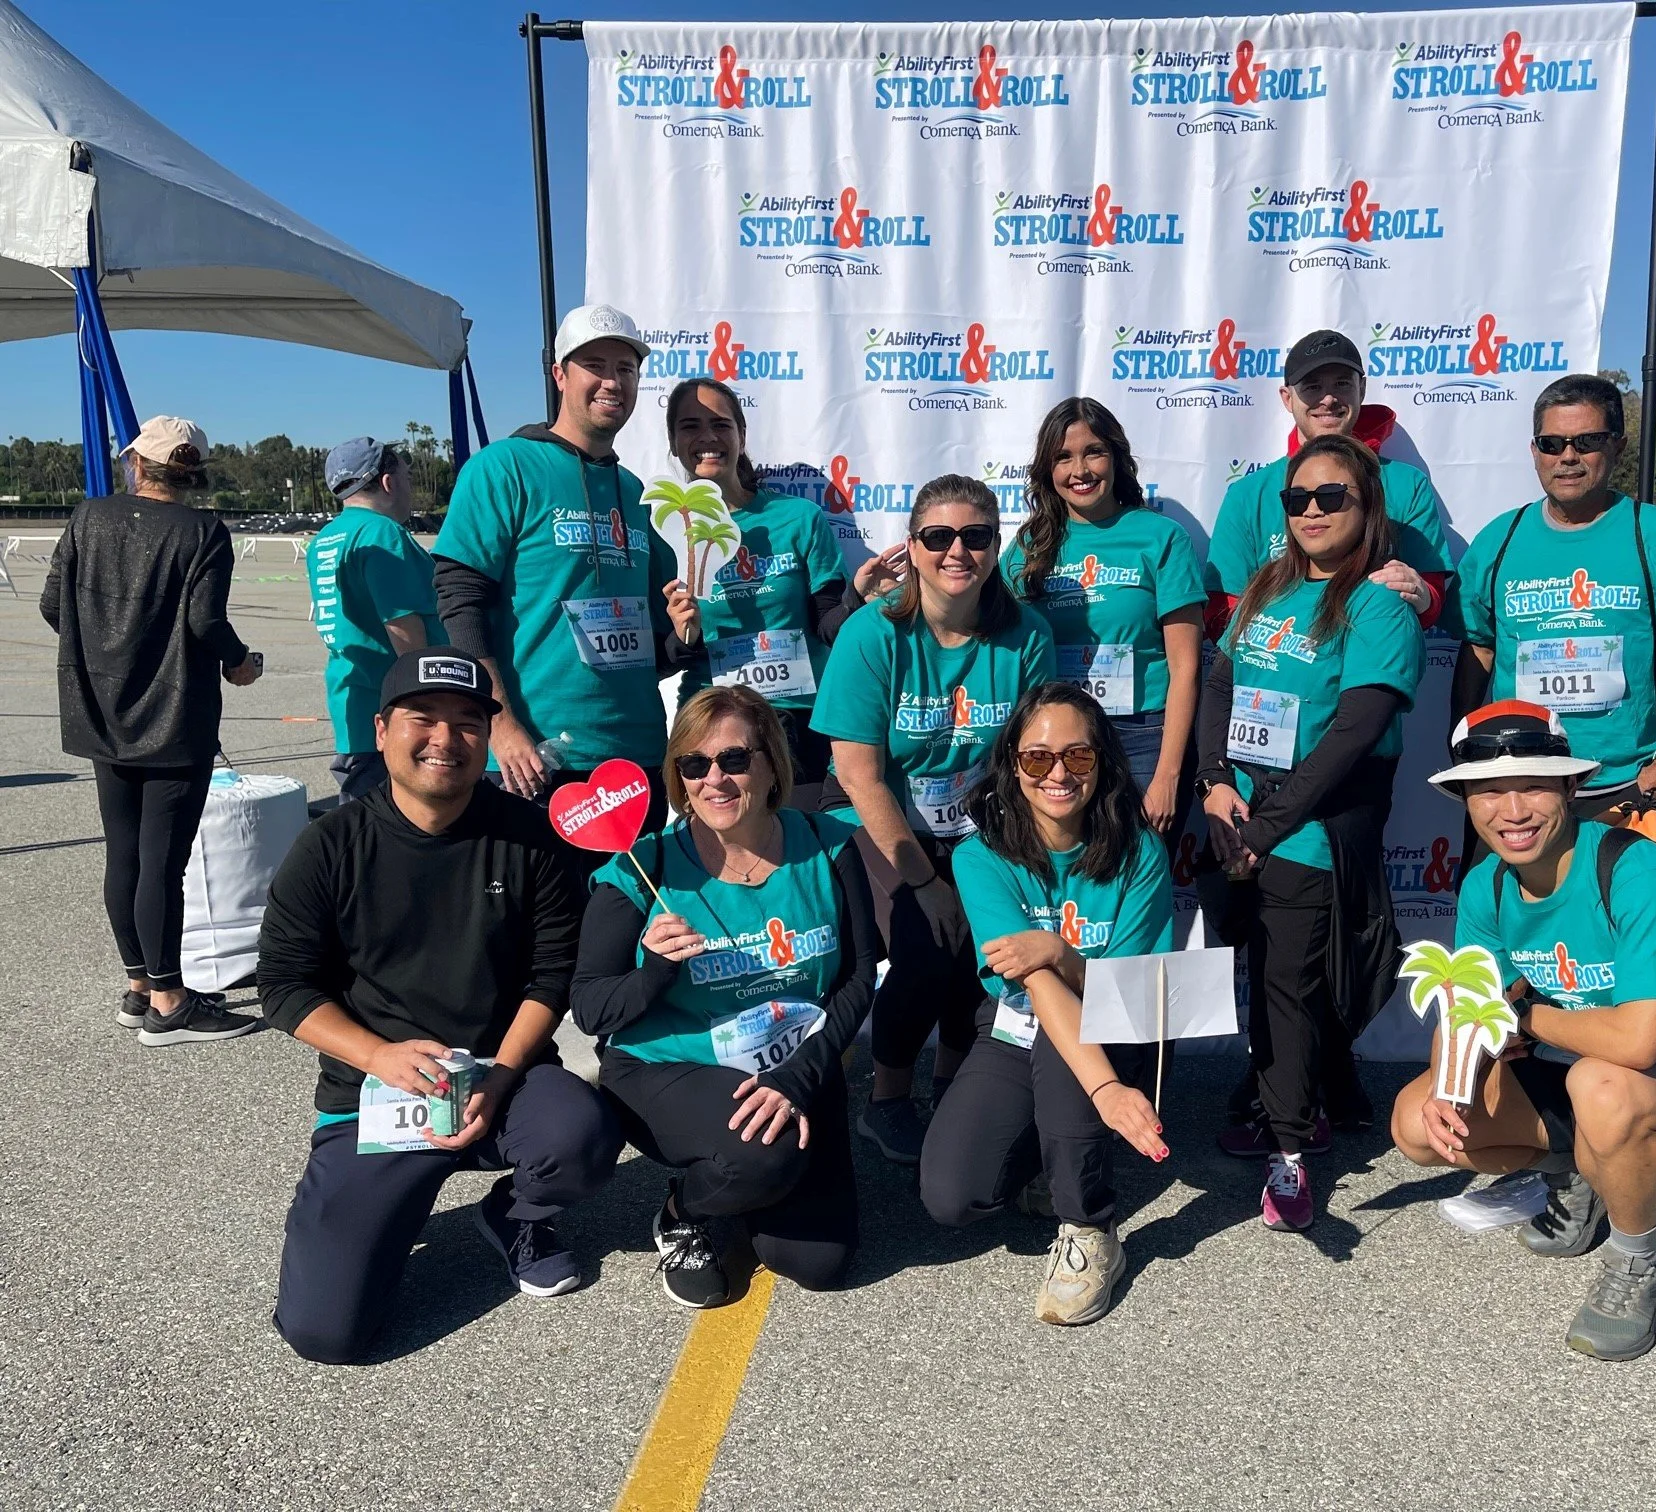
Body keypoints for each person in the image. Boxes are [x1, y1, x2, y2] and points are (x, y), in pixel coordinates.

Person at [258, 649, 621, 1364]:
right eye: (422, 719)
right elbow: (284, 986)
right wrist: (377, 1056)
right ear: (382, 728)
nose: (445, 740)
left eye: (467, 723)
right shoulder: (330, 844)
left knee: (579, 1137)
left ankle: (515, 1213)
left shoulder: (530, 836)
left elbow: (551, 977)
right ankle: (371, 1212)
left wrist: (503, 1073)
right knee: (326, 1334)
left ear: (488, 736)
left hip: (501, 1076)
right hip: (377, 1090)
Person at [1392, 700, 1656, 1362]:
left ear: (1570, 787)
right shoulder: (1486, 887)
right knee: (1417, 1121)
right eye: (1489, 791)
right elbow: (1468, 1006)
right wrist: (1449, 1081)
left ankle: (1640, 1258)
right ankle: (1580, 1175)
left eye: (1532, 785)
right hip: (1570, 1071)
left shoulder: (1637, 871)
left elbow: (1640, 1042)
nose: (1512, 810)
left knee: (1603, 1086)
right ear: (1466, 800)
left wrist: (1519, 1017)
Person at [571, 686, 874, 1308]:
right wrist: (654, 969)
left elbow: (858, 977)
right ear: (678, 778)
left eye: (734, 759)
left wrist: (800, 1077)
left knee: (818, 1262)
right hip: (673, 1065)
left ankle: (754, 1173)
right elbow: (592, 1010)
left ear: (770, 765)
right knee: (761, 1159)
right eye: (694, 764)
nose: (716, 779)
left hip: (794, 1066)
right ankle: (686, 1210)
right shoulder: (639, 868)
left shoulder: (828, 844)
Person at [1196, 435, 1424, 1230]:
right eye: (1300, 498)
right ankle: (1299, 1104)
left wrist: (1268, 825)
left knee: (1287, 992)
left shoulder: (1374, 603)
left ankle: (1290, 1153)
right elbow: (1220, 682)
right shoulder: (1268, 586)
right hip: (1242, 823)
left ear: (1368, 509)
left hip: (1306, 835)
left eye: (1335, 497)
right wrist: (1216, 782)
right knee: (1266, 979)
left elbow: (1355, 731)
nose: (1315, 511)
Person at [811, 476, 1058, 1164]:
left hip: (982, 822)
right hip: (874, 815)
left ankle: (955, 1083)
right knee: (928, 937)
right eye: (938, 537)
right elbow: (859, 773)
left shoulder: (1024, 636)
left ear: (995, 546)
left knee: (982, 945)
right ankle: (887, 1098)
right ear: (913, 548)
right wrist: (922, 880)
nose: (958, 551)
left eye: (975, 536)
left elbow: (1027, 757)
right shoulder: (873, 631)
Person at [921, 683, 1174, 1326]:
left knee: (1068, 1059)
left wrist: (1059, 954)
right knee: (952, 1198)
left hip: (1114, 1021)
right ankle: (1051, 1155)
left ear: (1103, 765)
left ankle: (1090, 1227)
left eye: (1077, 757)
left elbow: (1122, 990)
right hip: (1014, 1025)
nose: (1058, 773)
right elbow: (1030, 983)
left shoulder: (1139, 851)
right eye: (1037, 758)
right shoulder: (980, 856)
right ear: (1012, 766)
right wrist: (1107, 1091)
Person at [39, 416, 263, 1045]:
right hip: (175, 716)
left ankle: (140, 983)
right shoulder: (203, 532)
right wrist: (240, 662)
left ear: (138, 464)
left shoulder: (88, 518)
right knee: (163, 863)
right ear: (192, 473)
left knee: (125, 850)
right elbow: (204, 621)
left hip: (101, 712)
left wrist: (105, 652)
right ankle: (169, 999)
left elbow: (54, 605)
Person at [1449, 374, 1656, 809]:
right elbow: (1479, 649)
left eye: (1586, 441)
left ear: (1617, 447)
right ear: (1535, 452)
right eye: (1551, 444)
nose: (1567, 457)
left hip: (1624, 783)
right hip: (1517, 780)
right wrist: (1462, 743)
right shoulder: (1499, 538)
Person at [432, 304, 679, 819]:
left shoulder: (634, 492)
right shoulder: (505, 467)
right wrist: (499, 725)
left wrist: (686, 633)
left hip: (640, 758)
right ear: (560, 374)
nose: (612, 381)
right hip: (540, 761)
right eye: (596, 365)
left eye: (626, 369)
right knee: (542, 902)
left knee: (633, 901)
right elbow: (460, 600)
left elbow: (657, 639)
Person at [1001, 397, 1205, 834]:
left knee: (1137, 882)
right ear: (1046, 470)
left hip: (1143, 736)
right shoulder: (1027, 547)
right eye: (1063, 457)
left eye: (1094, 451)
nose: (1080, 470)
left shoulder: (1161, 537)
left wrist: (1168, 774)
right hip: (1053, 742)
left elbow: (1186, 667)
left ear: (1116, 458)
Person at [657, 378, 853, 808]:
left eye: (721, 425)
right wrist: (686, 637)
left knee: (800, 855)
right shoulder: (664, 531)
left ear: (741, 434)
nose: (707, 437)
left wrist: (858, 600)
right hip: (710, 724)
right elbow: (658, 656)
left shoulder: (798, 518)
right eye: (690, 426)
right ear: (673, 442)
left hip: (797, 722)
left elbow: (826, 621)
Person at [1204, 328, 1453, 631]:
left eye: (1342, 384)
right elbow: (1221, 612)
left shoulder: (1407, 484)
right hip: (1277, 668)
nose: (1329, 399)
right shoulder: (1248, 494)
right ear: (1287, 397)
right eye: (1312, 386)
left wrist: (1422, 594)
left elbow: (1432, 598)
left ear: (1361, 389)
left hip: (1373, 665)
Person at [308, 437, 443, 802]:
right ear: (388, 481)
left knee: (362, 824)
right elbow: (404, 630)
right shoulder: (381, 533)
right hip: (394, 710)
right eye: (407, 476)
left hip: (352, 702)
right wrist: (437, 701)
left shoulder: (325, 539)